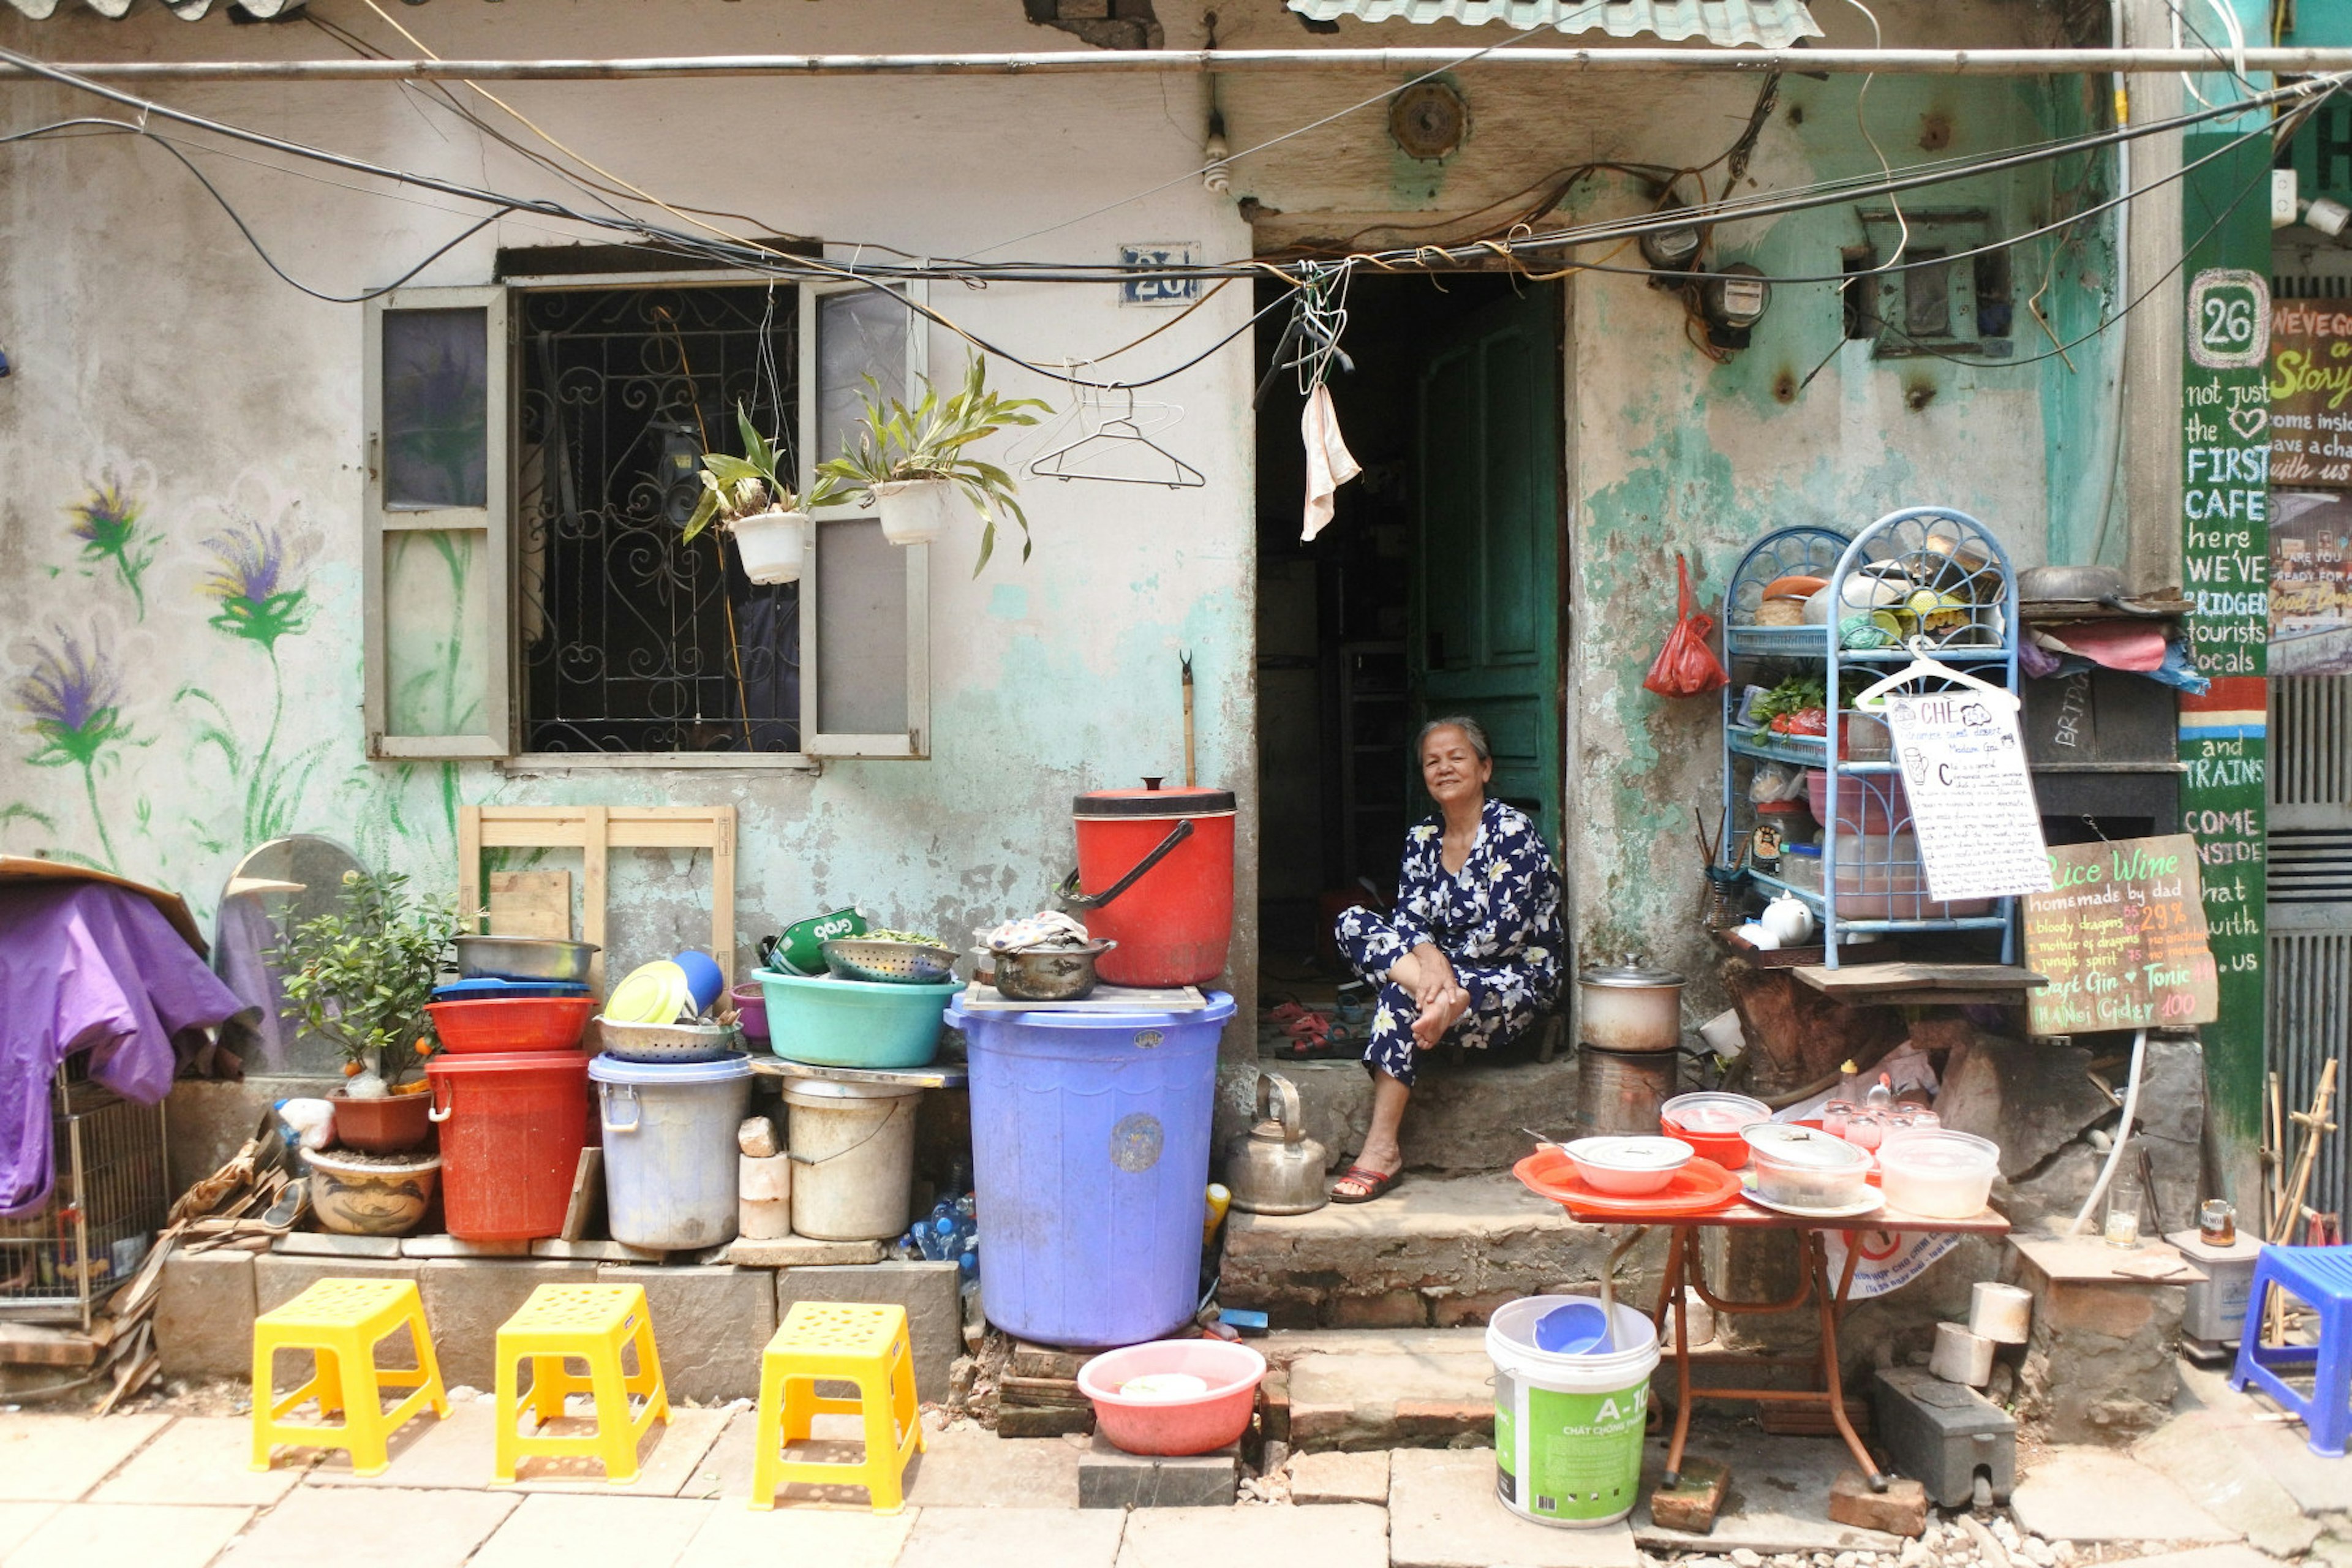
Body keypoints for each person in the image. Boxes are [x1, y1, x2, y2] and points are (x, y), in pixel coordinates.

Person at [1328, 717, 1564, 1203]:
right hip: (1445, 982)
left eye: (1456, 757)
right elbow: (1409, 919)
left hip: (1511, 981)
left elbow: (1503, 937)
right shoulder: (1422, 838)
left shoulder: (1512, 832)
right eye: (1432, 761)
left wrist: (1433, 968)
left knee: (1401, 993)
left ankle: (1380, 1150)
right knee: (1352, 920)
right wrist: (1432, 964)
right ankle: (1441, 999)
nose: (1444, 768)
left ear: (1485, 768)